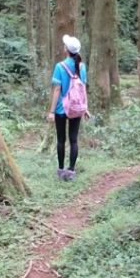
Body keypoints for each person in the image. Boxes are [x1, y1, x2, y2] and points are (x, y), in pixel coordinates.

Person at [47, 34, 89, 181]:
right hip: (76, 108)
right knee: (74, 140)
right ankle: (71, 171)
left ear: (66, 50)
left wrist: (51, 111)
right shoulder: (82, 67)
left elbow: (57, 90)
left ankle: (60, 170)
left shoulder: (60, 66)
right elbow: (83, 89)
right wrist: (85, 108)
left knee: (61, 139)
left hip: (61, 109)